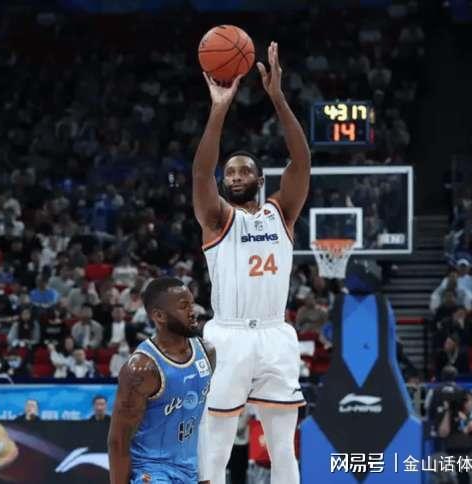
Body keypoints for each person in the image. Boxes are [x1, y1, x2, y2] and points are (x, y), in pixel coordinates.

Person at [192, 42, 310, 483]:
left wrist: (277, 96)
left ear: (260, 180)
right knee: (217, 445)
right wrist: (219, 108)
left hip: (275, 333)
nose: (237, 175)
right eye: (231, 172)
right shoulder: (216, 218)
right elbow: (200, 174)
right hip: (229, 334)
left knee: (283, 447)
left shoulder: (282, 212)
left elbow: (302, 161)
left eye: (245, 171)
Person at [108, 277, 215, 484]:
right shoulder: (141, 368)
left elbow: (200, 420)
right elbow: (118, 440)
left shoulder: (207, 353)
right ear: (159, 316)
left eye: (192, 304)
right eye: (184, 306)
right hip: (150, 472)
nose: (193, 312)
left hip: (188, 470)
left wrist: (205, 478)